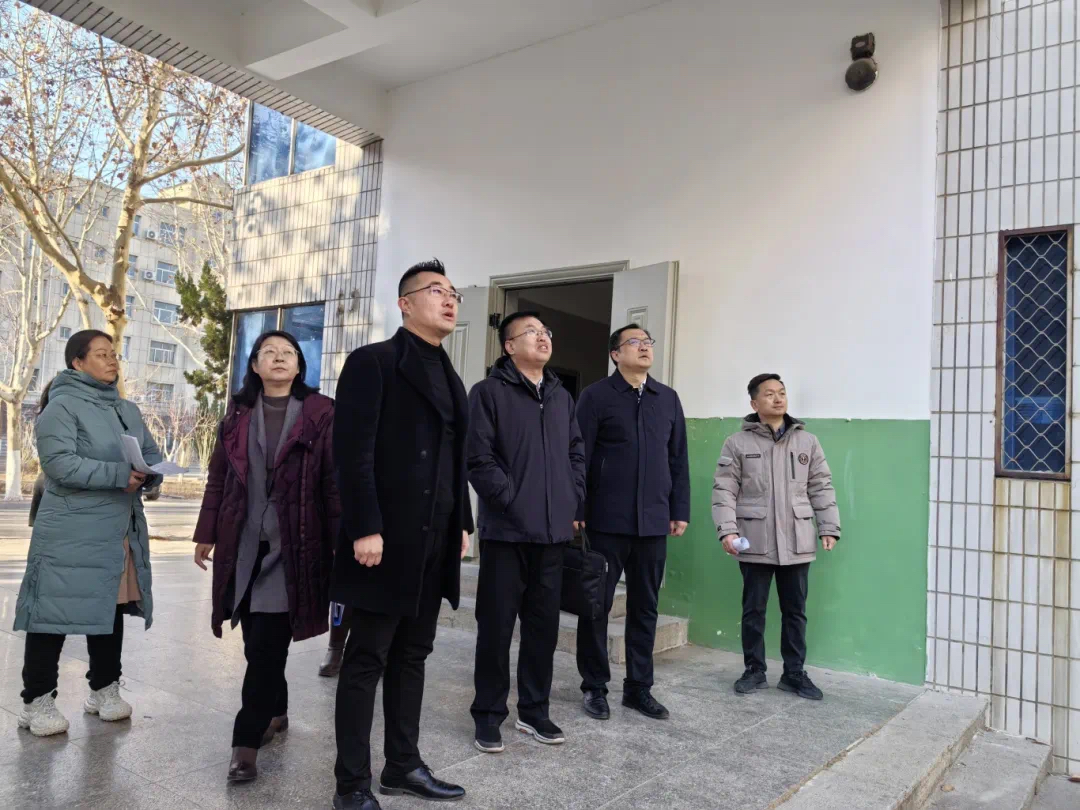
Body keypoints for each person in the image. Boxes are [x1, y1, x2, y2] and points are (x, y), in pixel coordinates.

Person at [331, 259, 473, 810]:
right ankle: (352, 783)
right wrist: (364, 526)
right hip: (385, 540)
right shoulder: (374, 362)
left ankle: (403, 765)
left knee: (413, 654)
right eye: (436, 290)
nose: (449, 299)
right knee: (366, 658)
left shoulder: (452, 376)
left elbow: (454, 459)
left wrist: (462, 521)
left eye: (453, 292)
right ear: (405, 303)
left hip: (434, 540)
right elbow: (353, 452)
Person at [192, 330, 341, 783]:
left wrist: (342, 540)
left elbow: (334, 481)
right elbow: (219, 478)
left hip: (294, 544)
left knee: (265, 646)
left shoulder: (321, 412)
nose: (279, 358)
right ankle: (277, 709)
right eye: (268, 352)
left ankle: (245, 745)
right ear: (254, 365)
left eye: (288, 352)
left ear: (299, 366)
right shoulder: (236, 416)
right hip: (243, 544)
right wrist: (205, 533)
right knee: (256, 640)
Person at [14, 330, 162, 736]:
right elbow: (59, 464)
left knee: (110, 609)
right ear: (77, 363)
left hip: (118, 527)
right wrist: (119, 475)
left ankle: (104, 688)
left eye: (114, 354)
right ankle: (36, 701)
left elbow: (149, 454)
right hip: (70, 529)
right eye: (101, 354)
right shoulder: (61, 407)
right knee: (52, 613)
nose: (112, 361)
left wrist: (151, 474)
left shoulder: (127, 409)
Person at [467, 312, 586, 755]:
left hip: (553, 536)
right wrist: (510, 499)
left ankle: (534, 711)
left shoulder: (560, 396)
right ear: (509, 345)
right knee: (496, 628)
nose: (542, 338)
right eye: (531, 332)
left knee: (543, 629)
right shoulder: (488, 393)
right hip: (506, 533)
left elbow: (576, 452)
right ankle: (488, 714)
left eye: (545, 332)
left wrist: (572, 497)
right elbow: (478, 458)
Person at [573, 324, 689, 722]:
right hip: (606, 520)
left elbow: (678, 458)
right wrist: (577, 507)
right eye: (634, 342)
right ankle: (594, 686)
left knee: (646, 607)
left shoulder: (667, 398)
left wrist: (679, 509)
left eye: (647, 342)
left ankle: (639, 688)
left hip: (653, 522)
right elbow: (579, 455)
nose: (644, 348)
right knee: (596, 606)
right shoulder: (596, 396)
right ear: (615, 354)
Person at [712, 374, 841, 701]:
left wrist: (828, 527)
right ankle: (754, 670)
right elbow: (724, 489)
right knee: (753, 611)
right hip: (755, 539)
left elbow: (821, 486)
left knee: (795, 611)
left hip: (798, 540)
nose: (778, 398)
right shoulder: (737, 443)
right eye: (769, 394)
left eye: (781, 393)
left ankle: (794, 673)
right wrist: (727, 530)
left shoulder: (807, 442)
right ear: (754, 403)